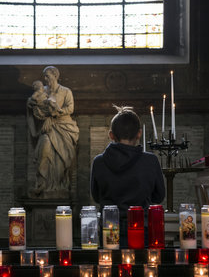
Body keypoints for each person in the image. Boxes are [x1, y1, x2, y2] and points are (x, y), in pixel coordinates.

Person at [90, 106, 165, 247]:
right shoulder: (150, 161)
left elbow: (96, 197)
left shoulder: (99, 162)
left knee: (110, 268)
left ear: (111, 135)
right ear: (139, 134)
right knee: (142, 268)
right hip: (142, 228)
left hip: (109, 228)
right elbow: (159, 196)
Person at [27, 66, 79, 197]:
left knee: (62, 159)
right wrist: (30, 103)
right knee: (44, 147)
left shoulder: (66, 91)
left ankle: (61, 185)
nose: (45, 79)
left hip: (63, 127)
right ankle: (42, 184)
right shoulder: (42, 91)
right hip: (47, 127)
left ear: (55, 76)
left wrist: (58, 113)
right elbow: (33, 103)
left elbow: (70, 108)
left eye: (47, 76)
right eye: (44, 76)